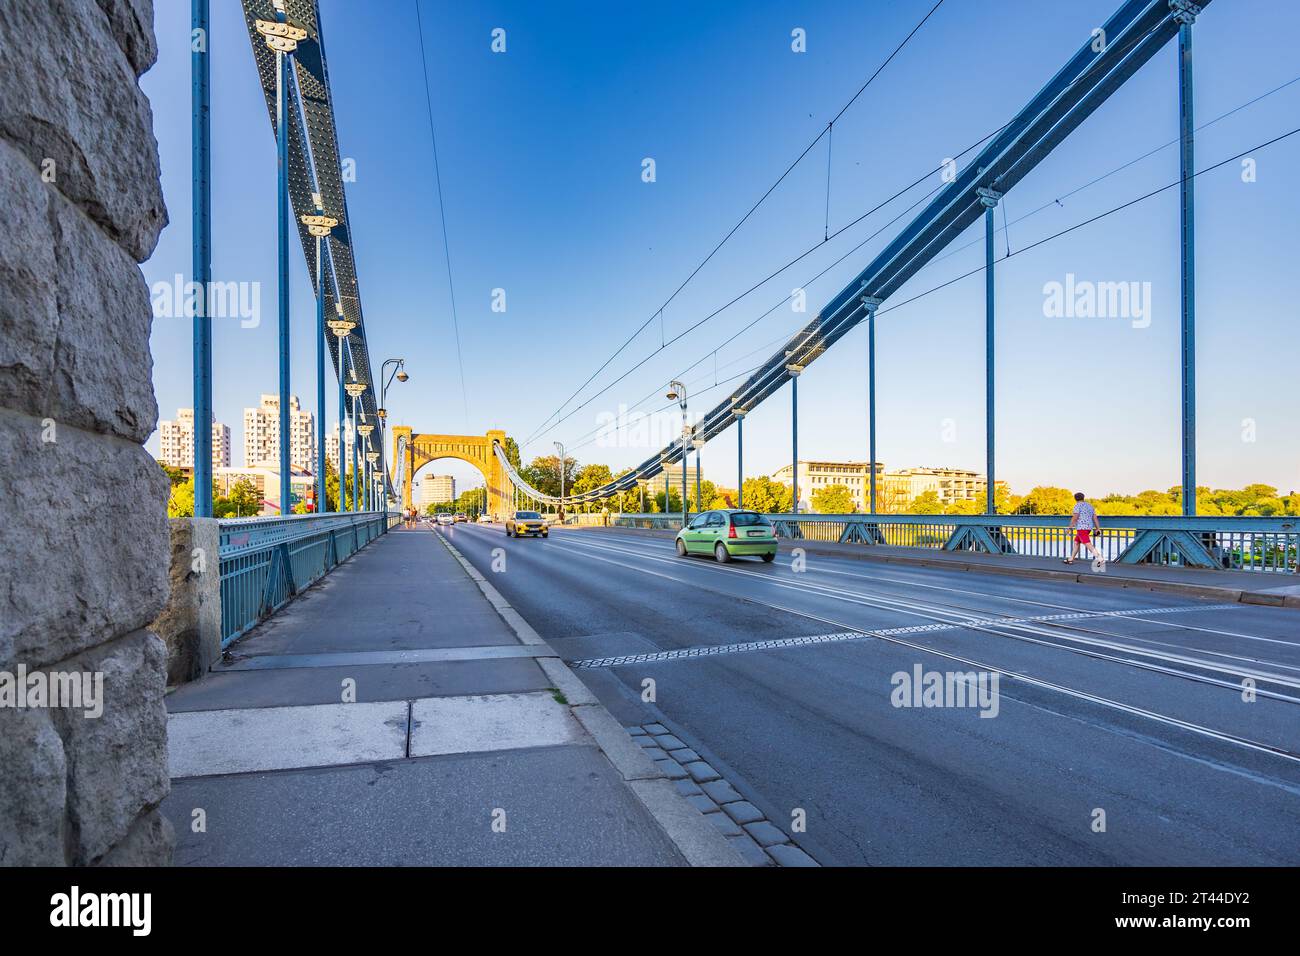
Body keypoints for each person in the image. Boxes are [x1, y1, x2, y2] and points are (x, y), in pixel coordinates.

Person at [1064, 491, 1104, 568]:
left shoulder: (1077, 506)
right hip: (1089, 527)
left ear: (1075, 499)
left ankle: (1100, 559)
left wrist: (1069, 528)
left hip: (1081, 528)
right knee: (1076, 542)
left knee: (1088, 544)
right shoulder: (1090, 506)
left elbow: (1075, 518)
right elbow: (1094, 518)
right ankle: (1071, 559)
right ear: (1083, 498)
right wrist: (1097, 528)